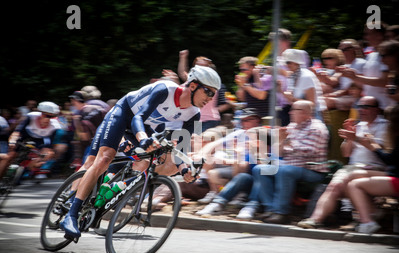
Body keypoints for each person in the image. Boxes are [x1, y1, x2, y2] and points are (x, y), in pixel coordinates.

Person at [60, 65, 222, 240]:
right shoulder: (164, 89)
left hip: (148, 127)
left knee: (153, 162)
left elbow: (182, 148)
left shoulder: (194, 114)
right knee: (104, 159)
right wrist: (143, 138)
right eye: (208, 92)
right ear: (193, 86)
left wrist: (184, 170)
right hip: (124, 114)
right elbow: (138, 117)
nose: (210, 98)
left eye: (213, 94)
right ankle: (72, 214)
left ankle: (118, 185)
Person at [297, 96, 388, 229]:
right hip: (353, 168)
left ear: (376, 110)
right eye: (359, 106)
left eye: (366, 107)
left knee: (340, 184)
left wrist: (355, 137)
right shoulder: (359, 125)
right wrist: (350, 138)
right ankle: (314, 219)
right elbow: (346, 153)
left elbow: (380, 150)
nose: (361, 110)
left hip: (375, 168)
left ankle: (368, 217)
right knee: (334, 186)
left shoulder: (384, 125)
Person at [237, 100, 329, 224]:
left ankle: (281, 212)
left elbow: (309, 152)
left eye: (294, 109)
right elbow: (280, 153)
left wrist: (287, 143)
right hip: (291, 166)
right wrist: (280, 141)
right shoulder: (292, 126)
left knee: (285, 170)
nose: (290, 112)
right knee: (260, 168)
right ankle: (271, 209)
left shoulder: (316, 128)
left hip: (312, 170)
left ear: (306, 113)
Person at [347, 103, 399, 233]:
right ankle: (373, 213)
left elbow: (390, 160)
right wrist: (372, 144)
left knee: (354, 185)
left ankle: (367, 222)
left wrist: (372, 146)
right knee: (353, 175)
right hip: (398, 177)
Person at [196, 108, 262, 204]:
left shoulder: (263, 132)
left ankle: (240, 194)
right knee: (209, 164)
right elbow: (215, 143)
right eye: (242, 120)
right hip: (233, 163)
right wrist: (201, 154)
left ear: (257, 120)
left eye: (247, 120)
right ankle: (214, 192)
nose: (244, 123)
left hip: (249, 165)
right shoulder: (238, 133)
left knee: (241, 163)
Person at [0, 101, 61, 179]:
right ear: (40, 113)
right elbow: (17, 132)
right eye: (45, 115)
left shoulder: (54, 125)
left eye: (51, 117)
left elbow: (48, 145)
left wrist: (43, 156)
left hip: (40, 141)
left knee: (48, 154)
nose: (47, 119)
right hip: (25, 137)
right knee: (9, 156)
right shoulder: (31, 117)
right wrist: (12, 142)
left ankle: (29, 169)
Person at [280, 49, 326, 121]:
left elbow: (312, 104)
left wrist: (292, 98)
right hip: (299, 117)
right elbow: (292, 100)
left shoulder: (306, 76)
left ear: (296, 63)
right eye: (285, 63)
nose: (286, 65)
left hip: (312, 118)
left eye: (288, 62)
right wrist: (281, 91)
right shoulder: (292, 76)